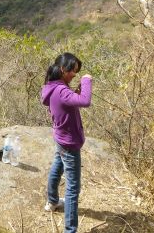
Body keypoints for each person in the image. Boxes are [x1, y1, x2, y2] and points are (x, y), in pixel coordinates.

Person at [41, 53, 92, 233]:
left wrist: (74, 93)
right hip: (69, 143)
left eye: (78, 73)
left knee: (57, 166)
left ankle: (52, 201)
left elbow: (66, 103)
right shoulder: (62, 91)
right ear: (63, 69)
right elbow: (85, 101)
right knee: (72, 188)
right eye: (73, 71)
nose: (75, 75)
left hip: (61, 138)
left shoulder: (53, 86)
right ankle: (70, 230)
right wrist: (86, 81)